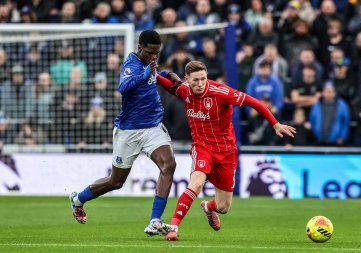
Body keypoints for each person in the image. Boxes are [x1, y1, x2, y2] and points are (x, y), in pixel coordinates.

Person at [156, 61, 296, 241]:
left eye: (203, 79)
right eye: (195, 80)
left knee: (223, 207)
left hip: (226, 151)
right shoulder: (185, 91)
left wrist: (275, 123)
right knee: (196, 182)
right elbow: (163, 82)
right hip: (203, 147)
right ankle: (173, 227)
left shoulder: (221, 92)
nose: (200, 84)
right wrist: (152, 73)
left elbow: (253, 102)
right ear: (187, 80)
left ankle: (208, 207)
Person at [69, 30, 182, 237]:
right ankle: (78, 199)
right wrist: (147, 72)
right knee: (116, 182)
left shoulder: (150, 64)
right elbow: (124, 87)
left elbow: (152, 77)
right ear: (140, 48)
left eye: (157, 53)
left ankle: (155, 221)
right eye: (150, 52)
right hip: (128, 131)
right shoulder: (130, 64)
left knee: (169, 165)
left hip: (153, 127)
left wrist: (165, 75)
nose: (153, 56)